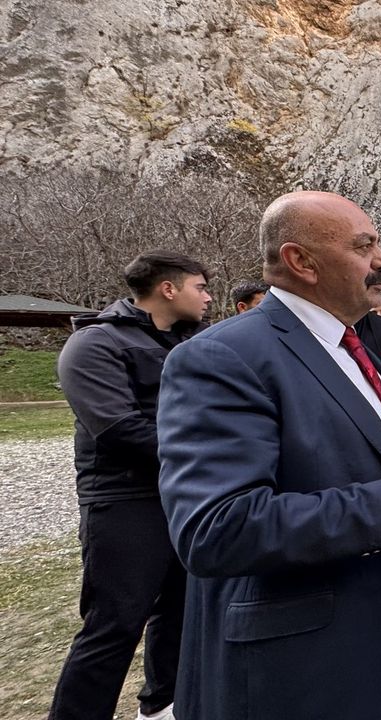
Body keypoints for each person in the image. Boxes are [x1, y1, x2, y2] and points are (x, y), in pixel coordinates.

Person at [157, 191, 381, 719]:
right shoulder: (223, 357)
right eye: (365, 246)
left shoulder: (350, 347)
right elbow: (218, 529)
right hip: (297, 677)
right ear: (300, 261)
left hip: (376, 653)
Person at [51, 251, 210, 720]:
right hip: (124, 501)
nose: (207, 297)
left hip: (183, 497)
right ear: (168, 288)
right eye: (199, 287)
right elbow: (119, 430)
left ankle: (162, 706)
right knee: (114, 626)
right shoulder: (95, 344)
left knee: (181, 612)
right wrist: (212, 454)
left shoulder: (194, 342)